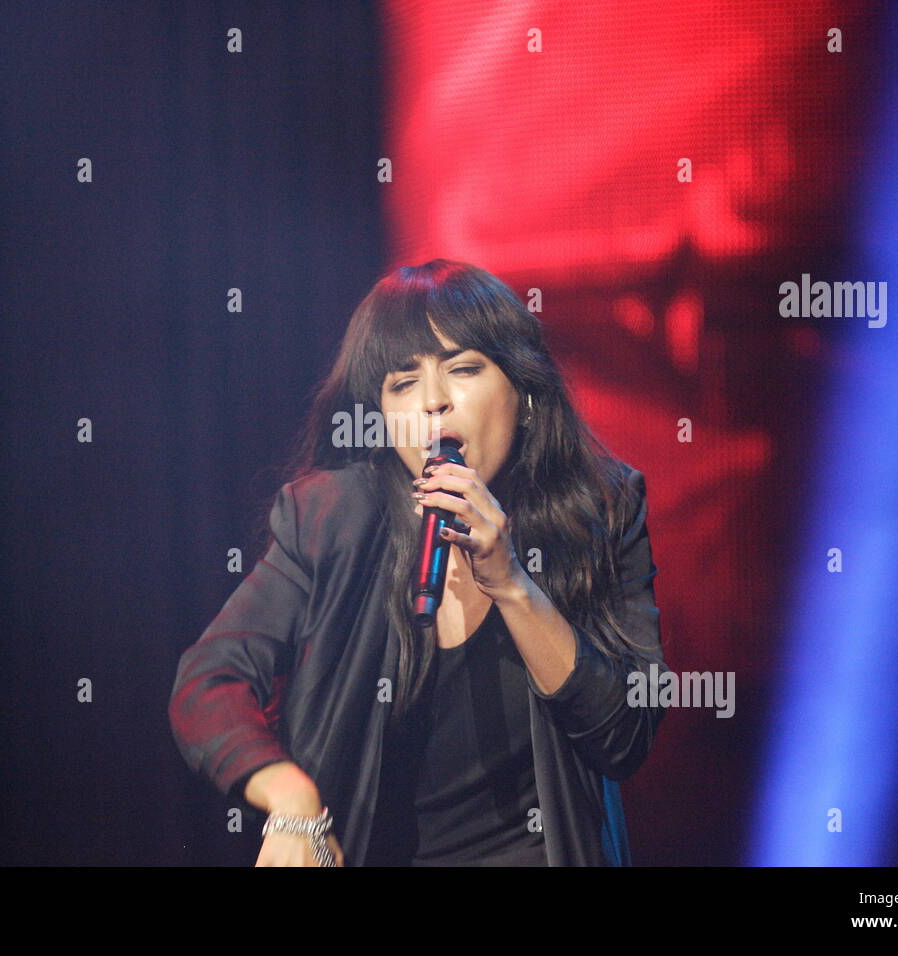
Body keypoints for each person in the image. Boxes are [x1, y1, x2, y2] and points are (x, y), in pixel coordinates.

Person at [170, 258, 669, 866]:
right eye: (403, 383)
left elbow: (623, 735)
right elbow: (208, 681)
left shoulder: (600, 512)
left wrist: (512, 583)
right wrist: (290, 795)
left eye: (462, 369)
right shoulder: (330, 521)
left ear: (525, 393)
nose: (434, 402)